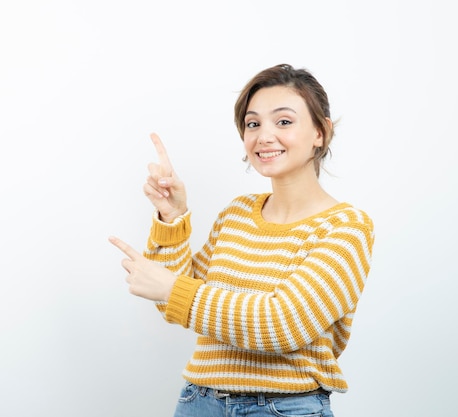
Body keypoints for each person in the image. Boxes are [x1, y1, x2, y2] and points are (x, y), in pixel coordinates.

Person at [109, 63, 375, 417]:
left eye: (283, 121)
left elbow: (282, 326)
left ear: (320, 132)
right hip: (198, 402)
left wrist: (174, 289)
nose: (264, 136)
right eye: (253, 123)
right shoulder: (237, 213)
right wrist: (173, 218)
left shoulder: (347, 227)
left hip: (284, 408)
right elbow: (172, 303)